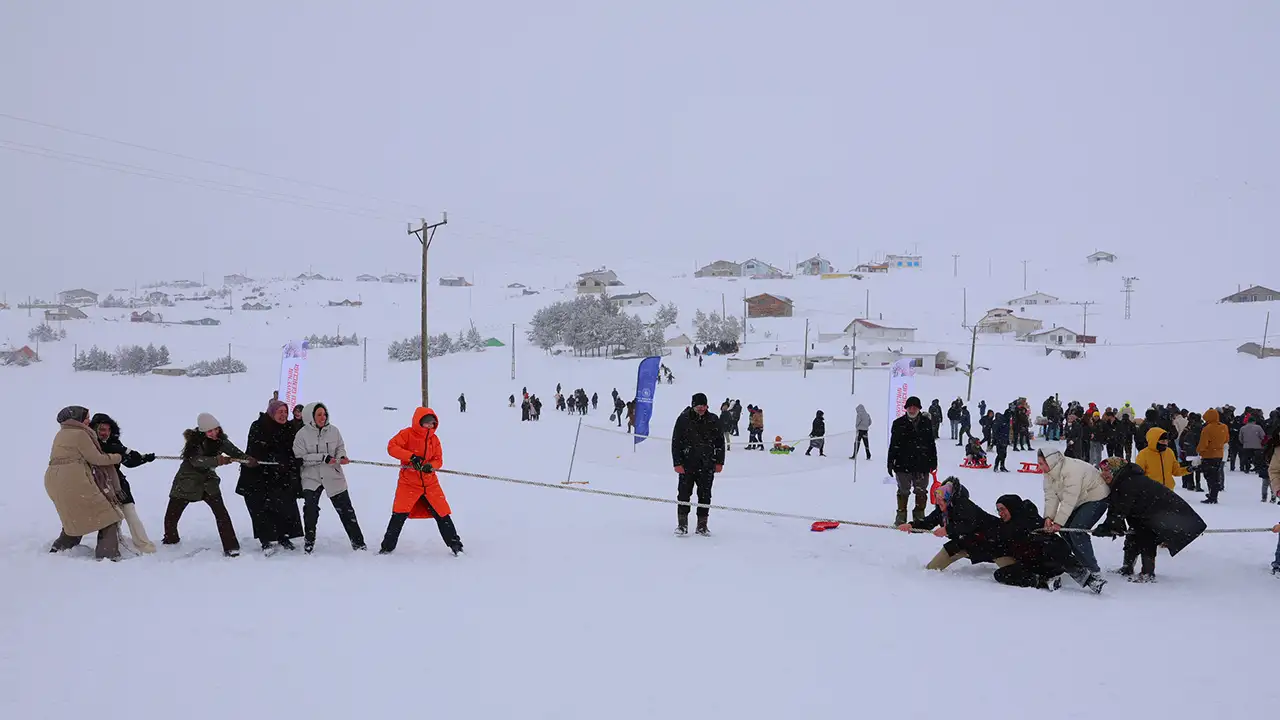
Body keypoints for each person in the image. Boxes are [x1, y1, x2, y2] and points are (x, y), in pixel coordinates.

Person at [1094, 458, 1207, 582]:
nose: (1103, 474)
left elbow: (1120, 508)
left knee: (1146, 538)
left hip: (1165, 514)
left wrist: (1109, 526)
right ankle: (1127, 567)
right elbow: (1117, 507)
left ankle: (1148, 573)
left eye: (1107, 470)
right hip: (1149, 514)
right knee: (1133, 536)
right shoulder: (1124, 480)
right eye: (1102, 470)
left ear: (1116, 470)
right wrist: (1112, 525)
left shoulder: (1128, 482)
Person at [165, 413, 255, 557]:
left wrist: (246, 459)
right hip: (187, 481)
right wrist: (218, 460)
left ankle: (231, 547)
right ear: (202, 431)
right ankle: (171, 540)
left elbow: (235, 452)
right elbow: (197, 461)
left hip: (208, 482)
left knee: (221, 513)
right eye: (209, 431)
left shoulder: (221, 440)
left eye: (216, 429)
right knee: (172, 515)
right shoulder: (194, 443)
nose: (214, 433)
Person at [46, 406, 125, 561]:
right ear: (77, 419)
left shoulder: (61, 433)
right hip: (74, 480)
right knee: (108, 516)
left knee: (75, 516)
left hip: (54, 480)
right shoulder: (80, 434)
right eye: (86, 417)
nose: (89, 420)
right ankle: (107, 555)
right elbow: (97, 459)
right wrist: (117, 457)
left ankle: (61, 547)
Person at [381, 408, 463, 555]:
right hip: (408, 483)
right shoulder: (406, 434)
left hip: (430, 483)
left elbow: (438, 459)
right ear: (419, 422)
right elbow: (392, 447)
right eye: (427, 423)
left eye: (432, 423)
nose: (430, 426)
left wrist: (430, 466)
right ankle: (387, 548)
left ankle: (456, 545)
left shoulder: (435, 439)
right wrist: (411, 457)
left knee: (442, 514)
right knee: (398, 515)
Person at [991, 495, 1106, 593]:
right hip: (1030, 566)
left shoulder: (1032, 520)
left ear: (1012, 508)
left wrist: (1035, 537)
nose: (1000, 513)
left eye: (1003, 509)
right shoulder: (1004, 528)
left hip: (1049, 562)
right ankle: (1044, 582)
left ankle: (1090, 580)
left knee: (1051, 546)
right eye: (998, 510)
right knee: (1000, 574)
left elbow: (1059, 545)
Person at [293, 402, 366, 552]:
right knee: (310, 510)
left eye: (324, 414)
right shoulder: (301, 434)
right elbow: (300, 457)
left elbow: (340, 447)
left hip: (333, 475)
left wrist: (342, 456)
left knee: (346, 510)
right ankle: (309, 541)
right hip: (311, 477)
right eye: (319, 414)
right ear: (310, 416)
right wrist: (322, 457)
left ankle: (358, 543)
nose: (323, 417)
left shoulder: (334, 431)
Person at [237, 399, 305, 553]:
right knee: (261, 507)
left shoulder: (288, 428)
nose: (283, 415)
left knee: (284, 505)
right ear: (272, 412)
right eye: (280, 412)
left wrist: (294, 460)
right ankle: (266, 539)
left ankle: (283, 536)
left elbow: (292, 449)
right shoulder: (258, 425)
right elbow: (255, 448)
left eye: (285, 412)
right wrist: (274, 458)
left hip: (280, 475)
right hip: (257, 475)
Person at [897, 478, 1007, 571]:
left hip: (993, 543)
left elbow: (968, 524)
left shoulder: (964, 506)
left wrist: (947, 530)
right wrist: (911, 526)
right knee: (932, 568)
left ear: (949, 498)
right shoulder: (941, 509)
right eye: (937, 500)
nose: (938, 503)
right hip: (963, 544)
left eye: (941, 500)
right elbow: (928, 522)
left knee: (1008, 567)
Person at [88, 413, 158, 553]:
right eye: (102, 429)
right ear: (94, 429)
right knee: (113, 518)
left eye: (108, 430)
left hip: (119, 485)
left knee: (131, 514)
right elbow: (103, 452)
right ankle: (114, 543)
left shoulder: (114, 443)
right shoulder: (90, 443)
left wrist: (143, 458)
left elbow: (128, 461)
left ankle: (144, 545)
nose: (105, 433)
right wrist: (122, 450)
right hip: (101, 485)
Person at [1038, 448, 1110, 574]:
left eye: (1041, 464)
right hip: (1081, 499)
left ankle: (1092, 569)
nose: (1040, 467)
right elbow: (1051, 496)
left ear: (1051, 461)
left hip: (1097, 497)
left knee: (1077, 530)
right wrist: (1049, 518)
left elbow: (1069, 499)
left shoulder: (1071, 470)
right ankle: (1079, 563)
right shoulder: (1049, 474)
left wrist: (1058, 522)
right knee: (1065, 530)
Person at [671, 393, 725, 536]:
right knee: (683, 495)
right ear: (693, 405)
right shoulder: (683, 419)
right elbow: (676, 442)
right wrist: (677, 463)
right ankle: (682, 525)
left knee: (705, 495)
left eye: (704, 405)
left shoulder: (713, 420)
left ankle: (702, 526)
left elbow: (720, 443)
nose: (701, 408)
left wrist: (719, 462)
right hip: (687, 465)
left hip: (707, 465)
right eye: (698, 405)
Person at [887, 396, 938, 525]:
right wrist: (890, 462)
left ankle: (919, 517)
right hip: (902, 464)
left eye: (915, 407)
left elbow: (931, 443)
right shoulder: (898, 423)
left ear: (919, 408)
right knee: (903, 491)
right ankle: (901, 516)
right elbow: (893, 445)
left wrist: (934, 461)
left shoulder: (926, 422)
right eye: (909, 407)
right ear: (906, 408)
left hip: (922, 465)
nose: (912, 409)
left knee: (921, 491)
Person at [1135, 427, 1188, 491]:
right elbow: (1138, 476)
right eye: (1162, 441)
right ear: (1154, 441)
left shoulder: (1169, 452)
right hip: (1151, 492)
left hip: (1169, 491)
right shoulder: (1143, 454)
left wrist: (1188, 469)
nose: (1165, 443)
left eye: (1166, 441)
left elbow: (1176, 471)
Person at [1197, 408, 1229, 503]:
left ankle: (1212, 496)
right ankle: (1213, 494)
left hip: (1208, 455)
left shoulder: (1207, 429)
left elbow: (1203, 443)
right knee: (1215, 475)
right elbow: (1226, 439)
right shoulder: (1224, 427)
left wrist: (1199, 451)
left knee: (1209, 476)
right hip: (1219, 454)